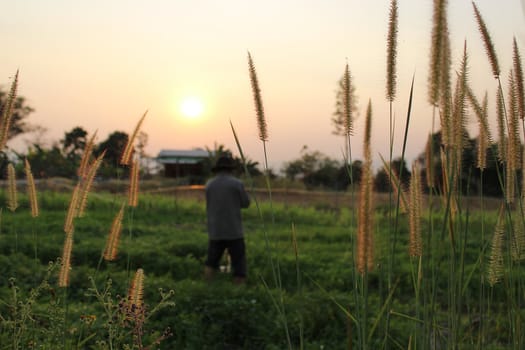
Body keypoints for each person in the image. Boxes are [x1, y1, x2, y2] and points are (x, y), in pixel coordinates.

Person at [204, 154, 250, 284]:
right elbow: (246, 203)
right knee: (239, 264)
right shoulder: (237, 184)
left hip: (215, 230)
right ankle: (238, 290)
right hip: (233, 230)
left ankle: (208, 286)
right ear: (231, 169)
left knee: (211, 261)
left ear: (217, 169)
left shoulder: (209, 184)